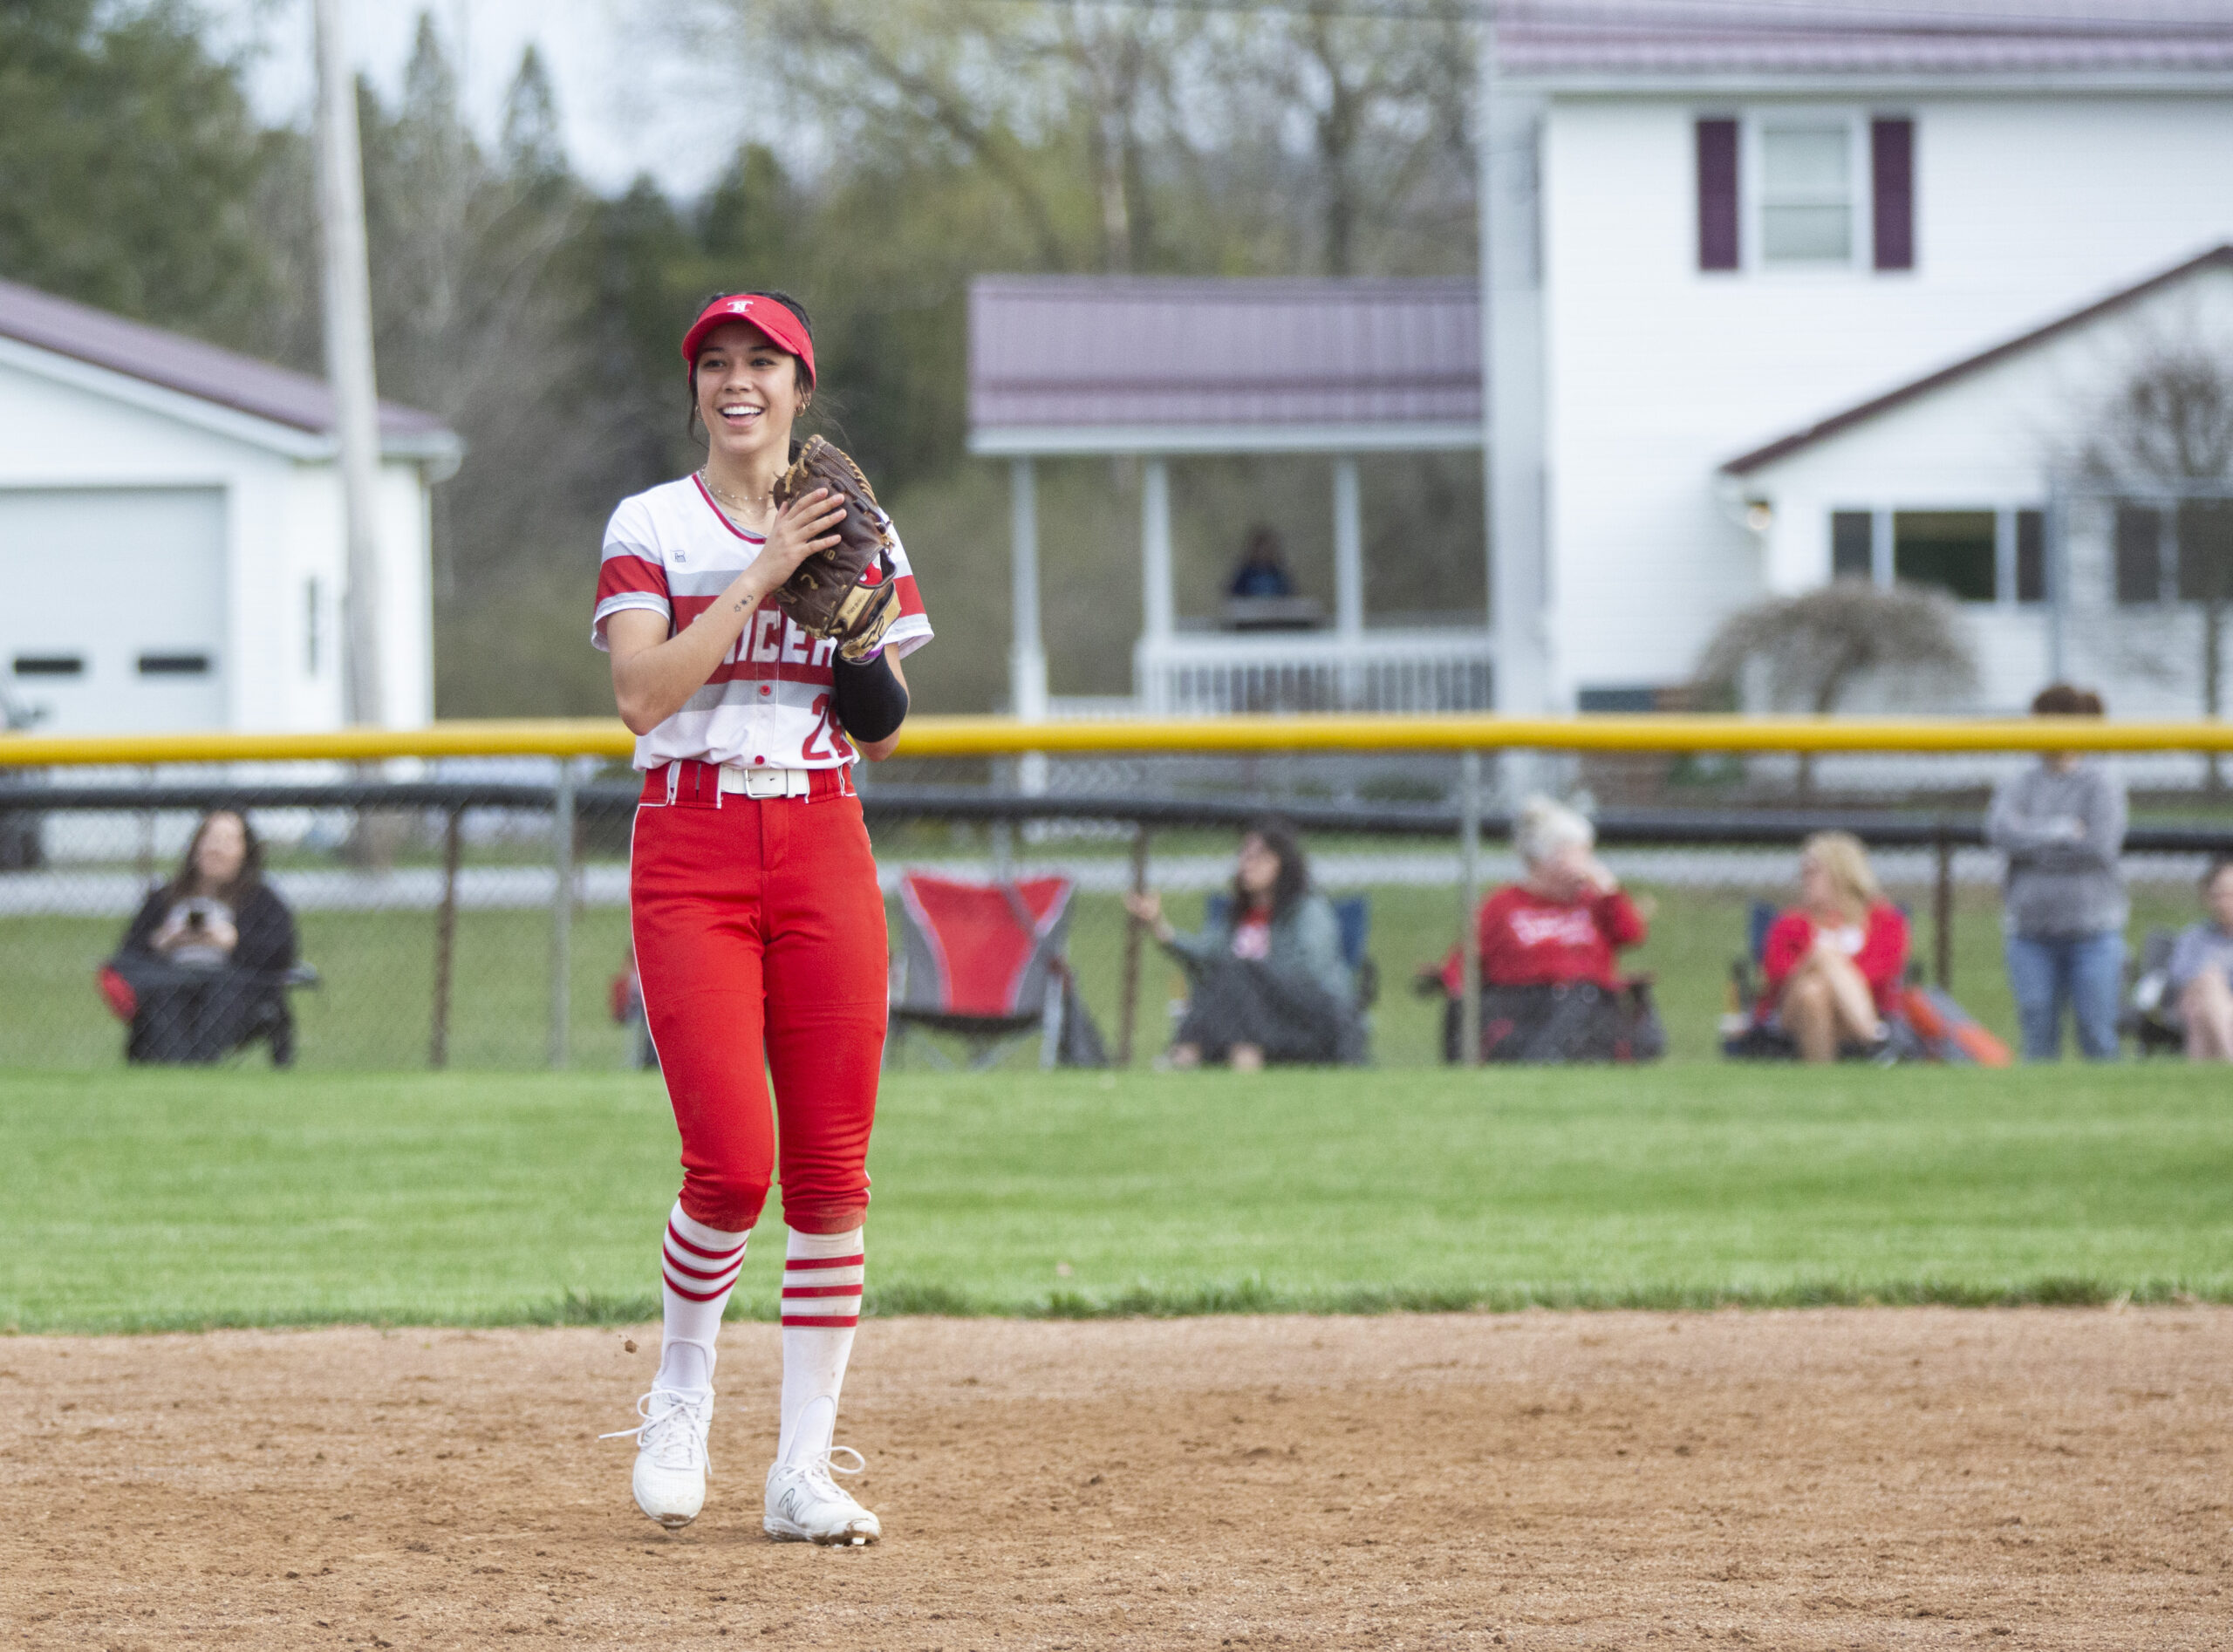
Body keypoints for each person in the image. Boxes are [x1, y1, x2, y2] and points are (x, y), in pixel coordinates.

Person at [591, 290, 932, 1545]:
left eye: (764, 362)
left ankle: (800, 1470)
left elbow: (883, 729)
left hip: (823, 835)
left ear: (800, 384)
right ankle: (681, 1388)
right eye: (717, 363)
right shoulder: (653, 524)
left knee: (833, 1170)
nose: (740, 381)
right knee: (733, 1162)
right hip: (691, 842)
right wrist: (765, 573)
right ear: (698, 392)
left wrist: (850, 634)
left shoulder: (862, 521)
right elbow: (642, 691)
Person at [1429, 795, 1659, 1063]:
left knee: (1581, 996)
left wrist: (1608, 890)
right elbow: (1466, 960)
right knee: (1569, 1002)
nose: (1587, 865)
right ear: (1544, 859)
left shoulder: (1595, 903)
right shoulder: (1502, 904)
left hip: (1590, 1011)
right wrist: (1455, 989)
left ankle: (1543, 1061)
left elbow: (1631, 935)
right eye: (1578, 854)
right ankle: (1544, 1060)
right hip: (1522, 1011)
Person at [1123, 820, 1360, 1070]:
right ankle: (1212, 1053)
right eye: (1244, 856)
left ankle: (1190, 1053)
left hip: (1310, 1018)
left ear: (1282, 863)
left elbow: (1311, 972)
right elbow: (1207, 956)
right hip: (1251, 1016)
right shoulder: (1238, 916)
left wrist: (1255, 976)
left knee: (1238, 971)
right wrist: (1159, 927)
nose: (1246, 865)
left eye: (1258, 857)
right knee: (1228, 972)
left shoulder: (1308, 911)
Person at [1986, 685, 2127, 1062]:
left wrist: (2032, 837)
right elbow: (2001, 833)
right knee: (2037, 1036)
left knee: (2097, 1035)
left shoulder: (2102, 782)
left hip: (2093, 933)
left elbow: (2098, 845)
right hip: (2030, 932)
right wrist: (2065, 831)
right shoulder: (2019, 781)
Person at [107, 809, 299, 1065]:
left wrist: (232, 941)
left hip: (233, 987)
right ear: (196, 845)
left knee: (223, 992)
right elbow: (129, 953)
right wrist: (164, 940)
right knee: (165, 995)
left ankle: (199, 1065)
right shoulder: (165, 898)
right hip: (173, 983)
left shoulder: (262, 901)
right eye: (210, 838)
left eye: (228, 841)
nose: (216, 848)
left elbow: (282, 952)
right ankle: (177, 1067)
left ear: (245, 851)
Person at [1758, 831, 1909, 1063]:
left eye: (1813, 872)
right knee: (1821, 959)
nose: (1804, 879)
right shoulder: (1790, 924)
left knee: (1814, 992)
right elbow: (1778, 977)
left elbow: (1881, 976)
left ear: (1841, 874)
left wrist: (1830, 978)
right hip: (1790, 1014)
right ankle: (1875, 1041)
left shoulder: (1885, 921)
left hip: (1867, 1009)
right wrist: (1821, 960)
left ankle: (1820, 1077)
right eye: (1803, 872)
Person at [2167, 857, 2233, 1062]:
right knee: (2204, 993)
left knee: (2202, 1009)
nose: (2224, 902)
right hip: (2194, 1003)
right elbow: (2177, 976)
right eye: (2218, 895)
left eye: (2230, 895)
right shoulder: (2193, 938)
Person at [1226, 526, 1296, 599]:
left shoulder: (1279, 575)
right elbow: (1234, 596)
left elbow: (1289, 596)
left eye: (1268, 549)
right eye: (1261, 549)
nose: (1264, 553)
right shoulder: (1245, 575)